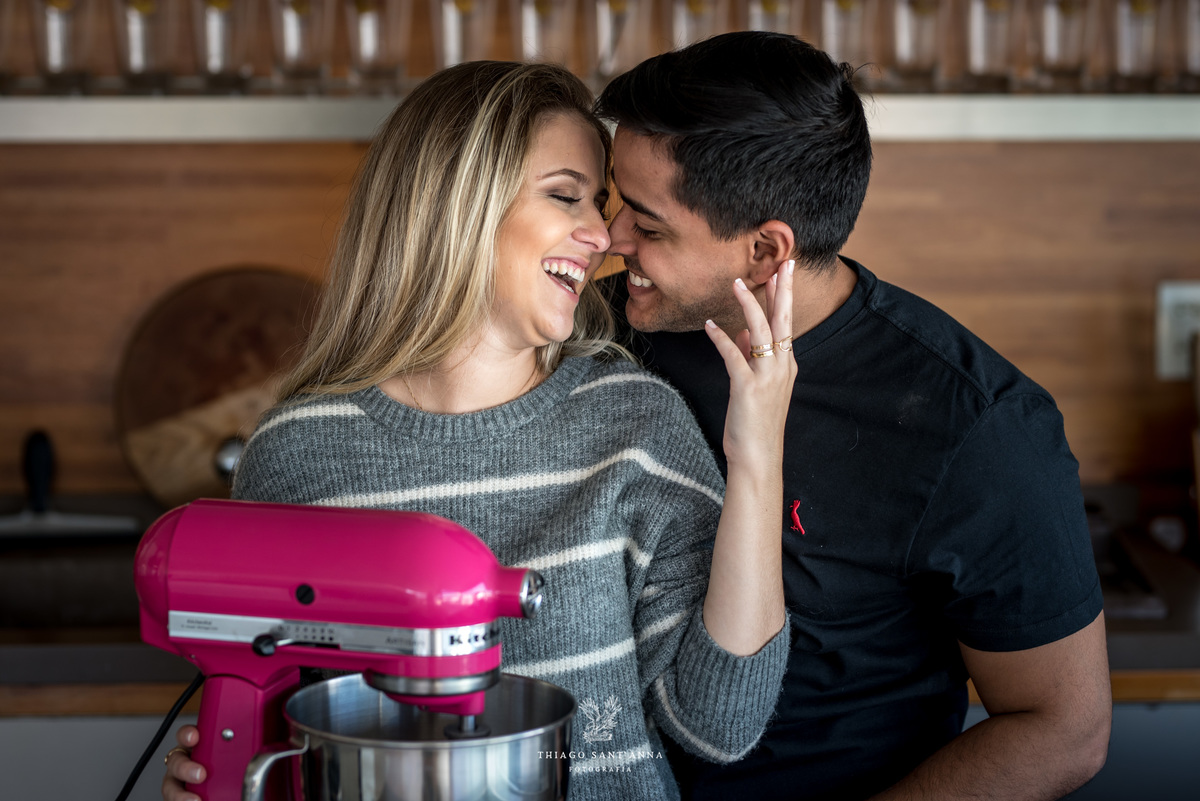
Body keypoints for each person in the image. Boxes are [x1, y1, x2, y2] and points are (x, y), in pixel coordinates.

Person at [162, 60, 797, 801]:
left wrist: (758, 454)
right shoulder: (296, 454)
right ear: (454, 204)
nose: (602, 234)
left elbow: (719, 725)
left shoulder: (635, 422)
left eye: (600, 201)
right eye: (566, 196)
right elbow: (271, 728)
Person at [594, 31, 1112, 801]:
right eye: (612, 198)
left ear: (767, 253)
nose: (610, 238)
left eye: (648, 223)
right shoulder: (600, 337)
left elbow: (1063, 727)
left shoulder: (976, 425)